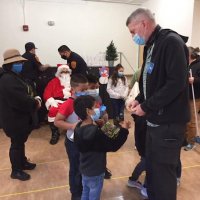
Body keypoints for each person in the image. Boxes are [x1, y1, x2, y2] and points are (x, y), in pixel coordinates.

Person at [126, 8, 190, 200]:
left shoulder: (171, 42)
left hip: (169, 124)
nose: (132, 37)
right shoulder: (151, 45)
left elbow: (176, 83)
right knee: (152, 169)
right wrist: (139, 99)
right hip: (154, 123)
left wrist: (146, 106)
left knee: (163, 176)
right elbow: (150, 81)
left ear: (144, 24)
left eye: (132, 31)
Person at [73, 95, 130, 200]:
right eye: (95, 106)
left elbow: (98, 134)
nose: (98, 109)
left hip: (85, 169)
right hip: (96, 171)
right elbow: (114, 145)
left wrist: (103, 124)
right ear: (88, 111)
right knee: (94, 195)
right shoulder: (96, 132)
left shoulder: (78, 127)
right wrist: (124, 130)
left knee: (85, 192)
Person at [0, 49, 41, 181]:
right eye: (17, 62)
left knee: (20, 142)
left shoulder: (14, 76)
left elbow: (26, 91)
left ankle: (22, 162)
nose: (20, 65)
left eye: (20, 62)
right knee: (16, 144)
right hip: (13, 119)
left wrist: (34, 98)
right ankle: (16, 170)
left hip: (19, 117)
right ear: (9, 64)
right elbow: (20, 99)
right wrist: (35, 102)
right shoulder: (7, 79)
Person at [54, 74, 88, 200]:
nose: (85, 92)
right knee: (75, 168)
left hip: (86, 141)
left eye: (86, 90)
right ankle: (75, 193)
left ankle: (84, 190)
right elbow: (57, 121)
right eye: (82, 90)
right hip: (73, 142)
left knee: (84, 168)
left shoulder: (87, 101)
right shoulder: (68, 104)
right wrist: (73, 126)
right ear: (73, 90)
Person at [86, 74, 112, 179]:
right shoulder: (82, 100)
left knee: (103, 149)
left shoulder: (97, 96)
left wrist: (105, 113)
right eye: (93, 88)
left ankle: (103, 168)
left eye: (97, 87)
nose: (96, 90)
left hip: (101, 126)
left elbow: (102, 106)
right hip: (90, 130)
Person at [22, 42, 50, 127]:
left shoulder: (22, 56)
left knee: (27, 101)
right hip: (32, 82)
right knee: (36, 100)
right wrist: (47, 65)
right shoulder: (33, 56)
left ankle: (28, 122)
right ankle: (36, 122)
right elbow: (40, 68)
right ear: (32, 49)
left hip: (22, 82)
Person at [43, 64, 71, 145]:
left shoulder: (72, 81)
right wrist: (51, 101)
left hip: (70, 101)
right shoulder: (53, 82)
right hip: (57, 101)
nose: (65, 73)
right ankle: (55, 133)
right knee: (53, 110)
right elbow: (47, 93)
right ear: (59, 72)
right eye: (63, 71)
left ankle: (74, 130)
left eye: (66, 71)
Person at [184, 47, 200, 150]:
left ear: (189, 55)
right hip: (185, 96)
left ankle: (192, 141)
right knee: (185, 119)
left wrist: (195, 79)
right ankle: (185, 139)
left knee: (191, 121)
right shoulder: (186, 64)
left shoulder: (198, 65)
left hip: (195, 97)